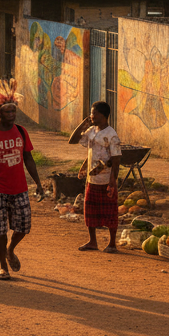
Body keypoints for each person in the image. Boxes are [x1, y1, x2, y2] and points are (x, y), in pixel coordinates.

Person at [0, 78, 44, 280]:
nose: (12, 115)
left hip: (20, 188)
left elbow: (28, 159)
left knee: (23, 227)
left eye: (14, 111)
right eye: (7, 112)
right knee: (0, 230)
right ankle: (3, 266)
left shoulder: (21, 131)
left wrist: (38, 184)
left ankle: (10, 250)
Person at [71, 100, 122, 253]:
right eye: (91, 113)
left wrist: (113, 180)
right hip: (91, 178)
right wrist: (83, 124)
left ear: (103, 115)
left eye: (94, 113)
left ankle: (112, 243)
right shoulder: (91, 131)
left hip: (106, 179)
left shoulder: (111, 135)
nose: (91, 116)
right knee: (90, 211)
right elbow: (72, 140)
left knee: (110, 212)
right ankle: (93, 241)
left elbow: (116, 159)